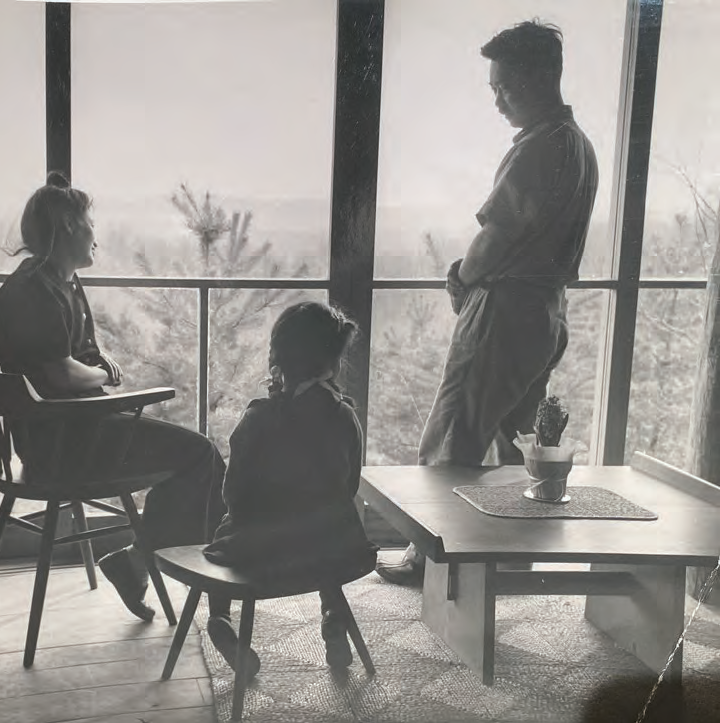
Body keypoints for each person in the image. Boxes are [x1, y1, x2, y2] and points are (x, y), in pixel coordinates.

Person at [376, 20, 599, 586]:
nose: (498, 99)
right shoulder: (579, 147)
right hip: (547, 312)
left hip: (505, 311)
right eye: (493, 88)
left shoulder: (535, 149)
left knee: (456, 434)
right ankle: (497, 556)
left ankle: (432, 559)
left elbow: (495, 237)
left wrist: (461, 277)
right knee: (509, 437)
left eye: (507, 86)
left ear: (544, 77)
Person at [0, 171, 226, 620]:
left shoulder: (55, 283)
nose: (96, 235)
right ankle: (176, 577)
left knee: (198, 457)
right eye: (90, 223)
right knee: (202, 457)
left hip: (62, 433)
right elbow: (57, 373)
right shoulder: (34, 293)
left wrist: (97, 362)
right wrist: (98, 372)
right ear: (69, 227)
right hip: (63, 445)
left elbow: (70, 355)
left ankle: (143, 561)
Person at [201, 301, 378, 681]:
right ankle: (332, 616)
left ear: (277, 357)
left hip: (262, 552)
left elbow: (235, 492)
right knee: (326, 521)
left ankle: (220, 618)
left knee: (226, 528)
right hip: (332, 552)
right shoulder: (344, 417)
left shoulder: (258, 417)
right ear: (331, 364)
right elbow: (348, 486)